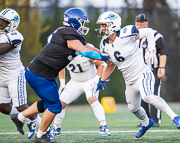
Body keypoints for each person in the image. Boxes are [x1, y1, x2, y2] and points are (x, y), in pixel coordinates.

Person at [79, 11, 180, 138]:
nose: (101, 28)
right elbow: (111, 63)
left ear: (112, 25)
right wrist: (102, 80)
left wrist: (151, 47)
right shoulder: (104, 44)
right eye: (101, 26)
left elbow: (149, 32)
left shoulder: (126, 33)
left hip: (142, 73)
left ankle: (175, 117)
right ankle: (146, 123)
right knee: (133, 108)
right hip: (129, 80)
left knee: (148, 97)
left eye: (104, 25)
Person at [10, 8, 109, 143]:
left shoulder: (66, 33)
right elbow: (85, 52)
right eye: (82, 22)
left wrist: (107, 55)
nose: (84, 25)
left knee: (49, 102)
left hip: (42, 73)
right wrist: (103, 56)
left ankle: (20, 117)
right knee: (55, 106)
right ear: (75, 21)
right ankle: (41, 136)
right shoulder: (69, 32)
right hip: (40, 74)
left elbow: (88, 47)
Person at [50, 44, 110, 137]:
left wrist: (96, 79)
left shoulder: (86, 48)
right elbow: (60, 66)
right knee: (60, 103)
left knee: (92, 99)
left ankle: (104, 126)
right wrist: (62, 82)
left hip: (90, 80)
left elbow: (102, 64)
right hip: (74, 81)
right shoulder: (61, 51)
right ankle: (56, 127)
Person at [0, 8, 41, 139]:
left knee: (21, 106)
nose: (0, 23)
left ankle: (45, 128)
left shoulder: (15, 36)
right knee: (3, 107)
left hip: (14, 75)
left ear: (12, 24)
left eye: (4, 22)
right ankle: (27, 120)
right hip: (1, 75)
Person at [135, 13, 168, 127]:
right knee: (142, 96)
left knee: (154, 94)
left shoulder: (156, 36)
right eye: (137, 25)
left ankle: (156, 119)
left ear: (147, 25)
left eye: (141, 25)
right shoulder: (134, 36)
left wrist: (161, 67)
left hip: (153, 69)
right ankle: (146, 120)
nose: (139, 27)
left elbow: (163, 53)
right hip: (139, 70)